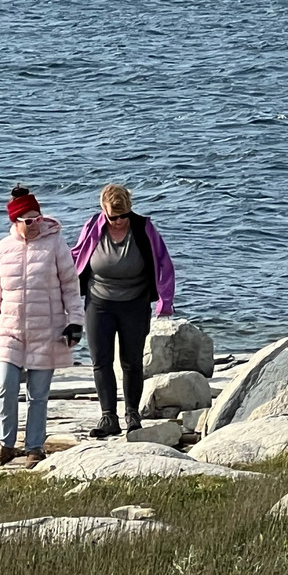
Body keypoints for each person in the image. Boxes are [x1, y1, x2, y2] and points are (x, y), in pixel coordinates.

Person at [0, 186, 85, 469]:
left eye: (38, 218)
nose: (35, 225)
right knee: (6, 387)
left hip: (46, 330)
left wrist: (75, 321)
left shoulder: (55, 245)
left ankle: (35, 447)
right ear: (15, 222)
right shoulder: (3, 249)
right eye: (28, 221)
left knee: (38, 394)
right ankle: (5, 445)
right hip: (9, 331)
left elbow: (70, 286)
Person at [71, 184, 175, 438]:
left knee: (131, 362)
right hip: (99, 303)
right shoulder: (93, 227)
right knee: (101, 360)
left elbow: (164, 263)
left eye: (123, 216)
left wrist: (165, 301)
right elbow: (77, 256)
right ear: (103, 211)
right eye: (112, 217)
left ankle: (132, 414)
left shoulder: (143, 228)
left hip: (135, 303)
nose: (118, 221)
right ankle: (108, 416)